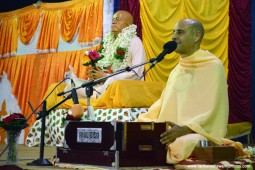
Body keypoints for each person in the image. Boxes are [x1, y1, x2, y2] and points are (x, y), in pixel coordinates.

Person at [136, 19, 230, 164]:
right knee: (138, 130)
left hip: (197, 132)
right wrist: (151, 121)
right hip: (170, 129)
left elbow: (214, 111)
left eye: (179, 32)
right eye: (173, 32)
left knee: (181, 143)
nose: (173, 37)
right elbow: (164, 103)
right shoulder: (177, 69)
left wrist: (187, 128)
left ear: (196, 36)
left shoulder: (213, 66)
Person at [65, 10, 146, 99]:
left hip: (124, 85)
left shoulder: (135, 42)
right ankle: (91, 93)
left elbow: (136, 72)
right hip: (104, 83)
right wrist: (96, 74)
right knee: (71, 85)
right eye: (113, 19)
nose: (113, 22)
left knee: (111, 80)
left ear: (128, 25)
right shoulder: (109, 43)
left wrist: (106, 77)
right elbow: (106, 67)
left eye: (118, 19)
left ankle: (93, 95)